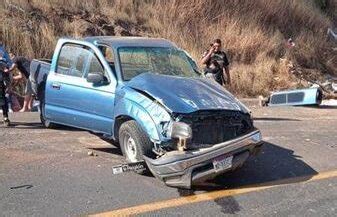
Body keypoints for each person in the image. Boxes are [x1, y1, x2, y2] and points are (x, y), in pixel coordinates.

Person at [0, 44, 14, 126]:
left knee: (2, 97)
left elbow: (10, 63)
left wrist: (5, 65)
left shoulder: (2, 48)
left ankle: (5, 117)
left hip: (1, 78)